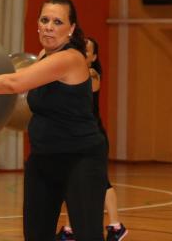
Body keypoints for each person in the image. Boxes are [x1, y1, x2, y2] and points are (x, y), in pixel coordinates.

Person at [0, 0, 108, 241]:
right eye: (44, 19)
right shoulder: (44, 56)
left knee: (88, 235)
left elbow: (13, 83)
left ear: (71, 29)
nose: (48, 26)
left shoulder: (70, 59)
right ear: (37, 24)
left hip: (80, 158)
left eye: (57, 21)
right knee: (36, 234)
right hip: (43, 157)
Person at [56, 37, 128, 241]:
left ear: (94, 57)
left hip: (93, 138)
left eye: (86, 52)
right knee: (73, 182)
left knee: (101, 182)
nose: (81, 54)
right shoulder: (72, 72)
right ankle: (70, 229)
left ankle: (116, 226)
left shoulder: (92, 75)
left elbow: (76, 94)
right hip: (74, 138)